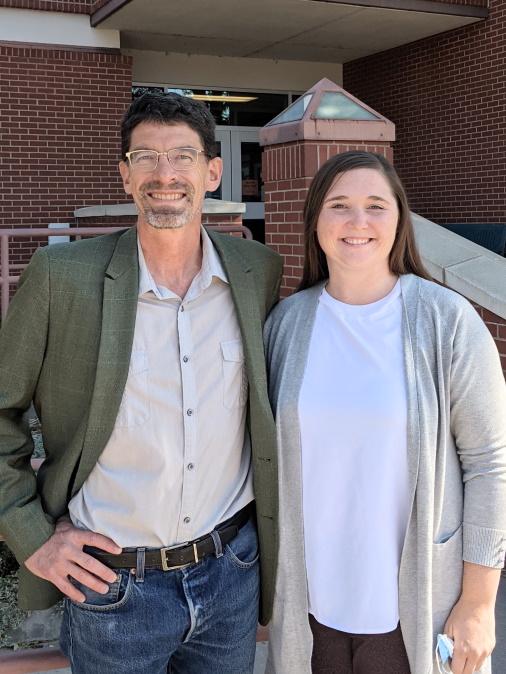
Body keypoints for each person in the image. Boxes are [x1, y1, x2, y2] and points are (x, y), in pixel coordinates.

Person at [0, 92, 282, 674]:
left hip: (231, 574)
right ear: (125, 174)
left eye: (182, 156)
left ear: (212, 171)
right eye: (146, 157)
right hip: (113, 589)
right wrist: (33, 537)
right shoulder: (62, 278)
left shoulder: (256, 273)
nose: (165, 175)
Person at [263, 151, 506, 674]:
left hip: (418, 615)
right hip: (309, 615)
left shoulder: (448, 322)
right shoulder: (286, 324)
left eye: (376, 206)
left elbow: (490, 465)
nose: (358, 222)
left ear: (399, 220)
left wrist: (480, 603)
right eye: (340, 206)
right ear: (316, 221)